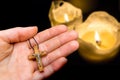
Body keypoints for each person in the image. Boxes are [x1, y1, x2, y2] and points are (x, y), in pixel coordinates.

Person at [0, 25, 79, 80]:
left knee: (41, 62)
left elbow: (43, 53)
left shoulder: (39, 53)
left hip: (38, 57)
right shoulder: (35, 54)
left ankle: (41, 68)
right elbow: (30, 56)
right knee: (40, 62)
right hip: (37, 58)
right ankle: (41, 68)